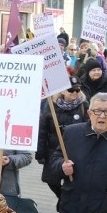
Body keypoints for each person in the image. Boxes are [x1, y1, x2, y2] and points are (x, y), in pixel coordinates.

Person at [36, 75, 88, 205]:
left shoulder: (84, 106)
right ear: (62, 91)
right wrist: (40, 153)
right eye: (71, 90)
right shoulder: (51, 106)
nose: (75, 93)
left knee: (71, 180)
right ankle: (63, 199)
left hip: (76, 151)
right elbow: (42, 131)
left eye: (77, 90)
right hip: (53, 151)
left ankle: (66, 206)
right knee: (51, 180)